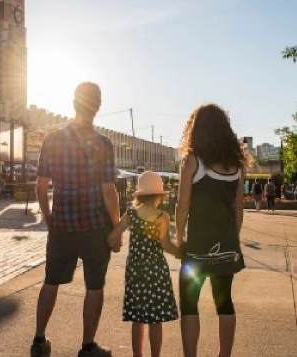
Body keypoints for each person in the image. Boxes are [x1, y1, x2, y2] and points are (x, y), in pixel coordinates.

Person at [30, 82, 120, 357]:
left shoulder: (53, 139)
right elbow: (108, 191)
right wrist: (116, 227)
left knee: (51, 282)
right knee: (94, 287)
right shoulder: (103, 144)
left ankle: (38, 341)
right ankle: (87, 346)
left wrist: (49, 219)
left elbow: (41, 185)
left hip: (62, 227)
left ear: (74, 103)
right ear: (98, 106)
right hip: (95, 229)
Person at [175, 104, 248, 357]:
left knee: (189, 304)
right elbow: (238, 209)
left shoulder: (192, 161)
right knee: (224, 302)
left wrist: (179, 237)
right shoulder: (237, 165)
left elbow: (182, 206)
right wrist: (233, 239)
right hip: (227, 245)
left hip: (197, 246)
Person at [107, 171, 181, 357]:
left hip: (135, 270)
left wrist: (118, 243)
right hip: (157, 271)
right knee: (156, 320)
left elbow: (111, 239)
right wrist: (181, 252)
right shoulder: (162, 217)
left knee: (137, 318)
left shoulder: (131, 214)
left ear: (140, 195)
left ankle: (137, 355)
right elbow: (166, 246)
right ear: (158, 196)